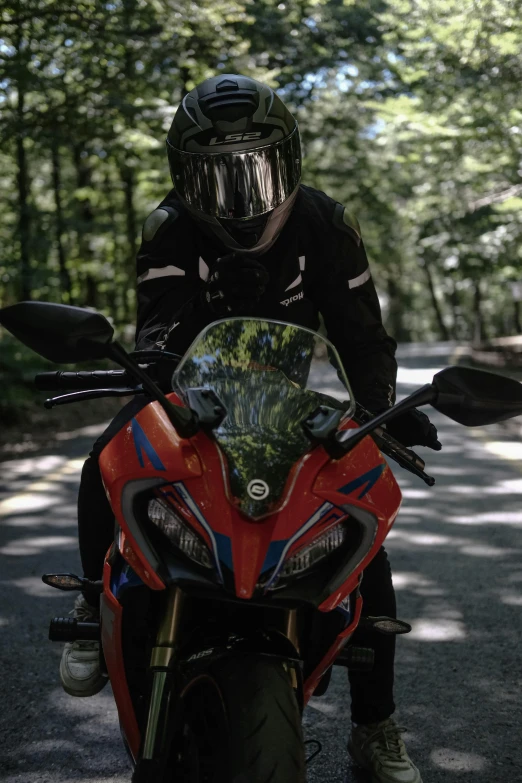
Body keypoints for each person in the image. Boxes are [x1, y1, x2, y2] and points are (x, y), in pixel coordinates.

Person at [61, 74, 440, 783]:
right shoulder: (169, 227)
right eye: (217, 175)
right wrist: (154, 391)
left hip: (289, 404)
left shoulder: (326, 223)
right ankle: (93, 597)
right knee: (100, 462)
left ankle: (375, 723)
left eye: (257, 168)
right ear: (183, 174)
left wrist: (380, 413)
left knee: (361, 530)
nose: (241, 194)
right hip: (189, 396)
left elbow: (363, 339)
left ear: (290, 160)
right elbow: (159, 336)